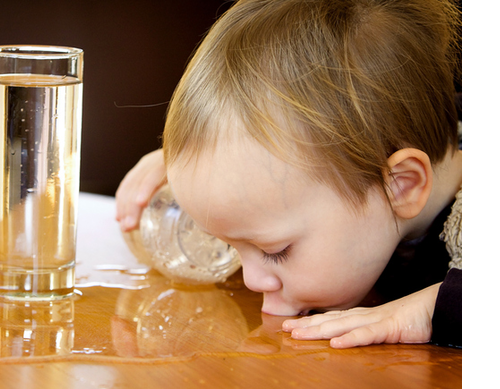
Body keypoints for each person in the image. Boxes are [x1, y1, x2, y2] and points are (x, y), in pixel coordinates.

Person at [115, 0, 462, 349]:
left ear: (401, 186)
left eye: (277, 252)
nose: (252, 281)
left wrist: (433, 309)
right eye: (232, 248)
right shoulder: (353, 191)